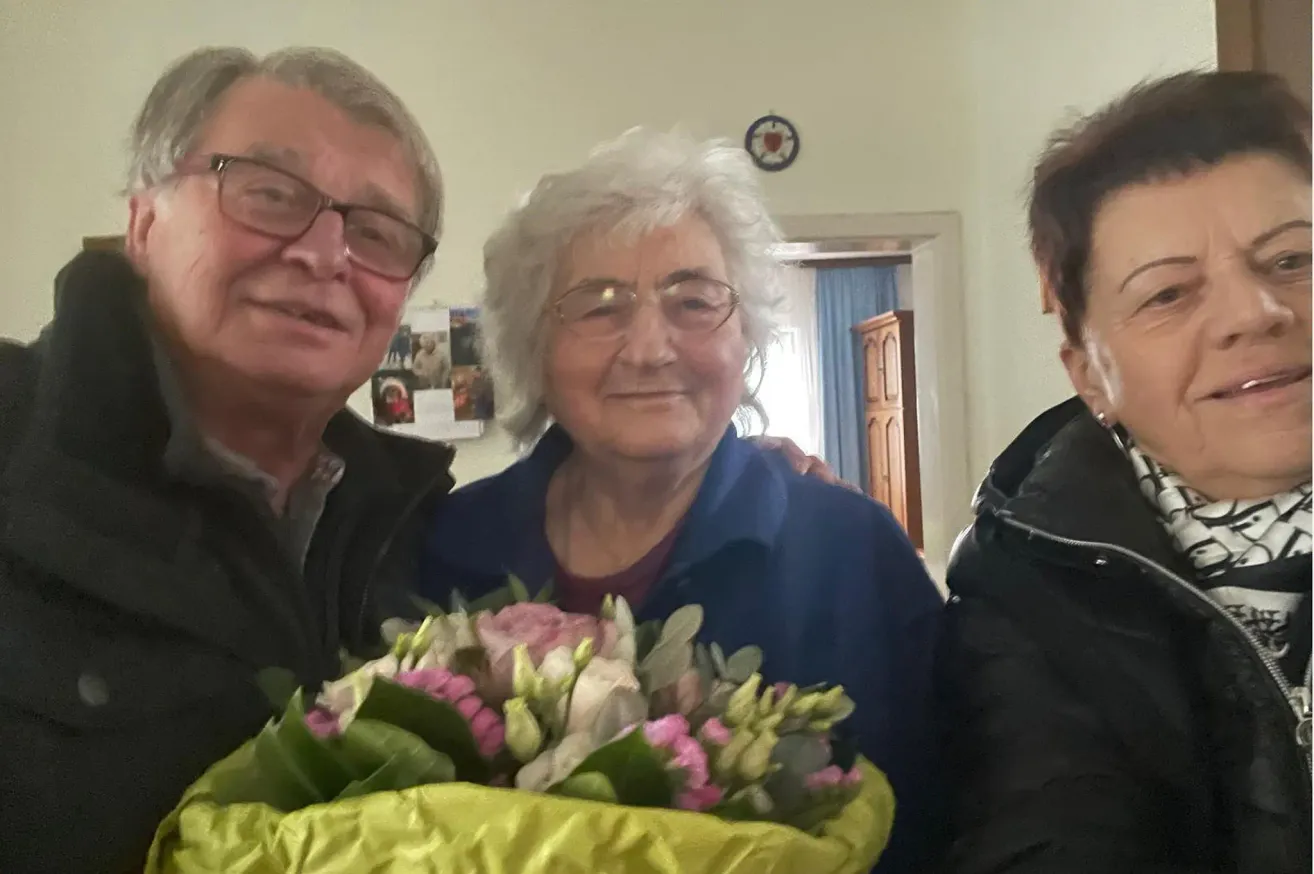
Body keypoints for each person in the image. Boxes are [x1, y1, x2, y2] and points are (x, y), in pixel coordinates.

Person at [418, 129, 945, 872]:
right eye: (599, 308)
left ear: (747, 338)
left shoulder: (852, 552)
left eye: (693, 301)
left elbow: (930, 828)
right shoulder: (445, 547)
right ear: (534, 347)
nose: (649, 348)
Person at [0, 46, 457, 873]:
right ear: (143, 224)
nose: (325, 256)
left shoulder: (417, 526)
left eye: (378, 231)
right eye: (270, 194)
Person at [938, 71, 1311, 873]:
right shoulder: (1029, 587)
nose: (1256, 312)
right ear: (1091, 376)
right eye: (1170, 293)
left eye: (1291, 259)